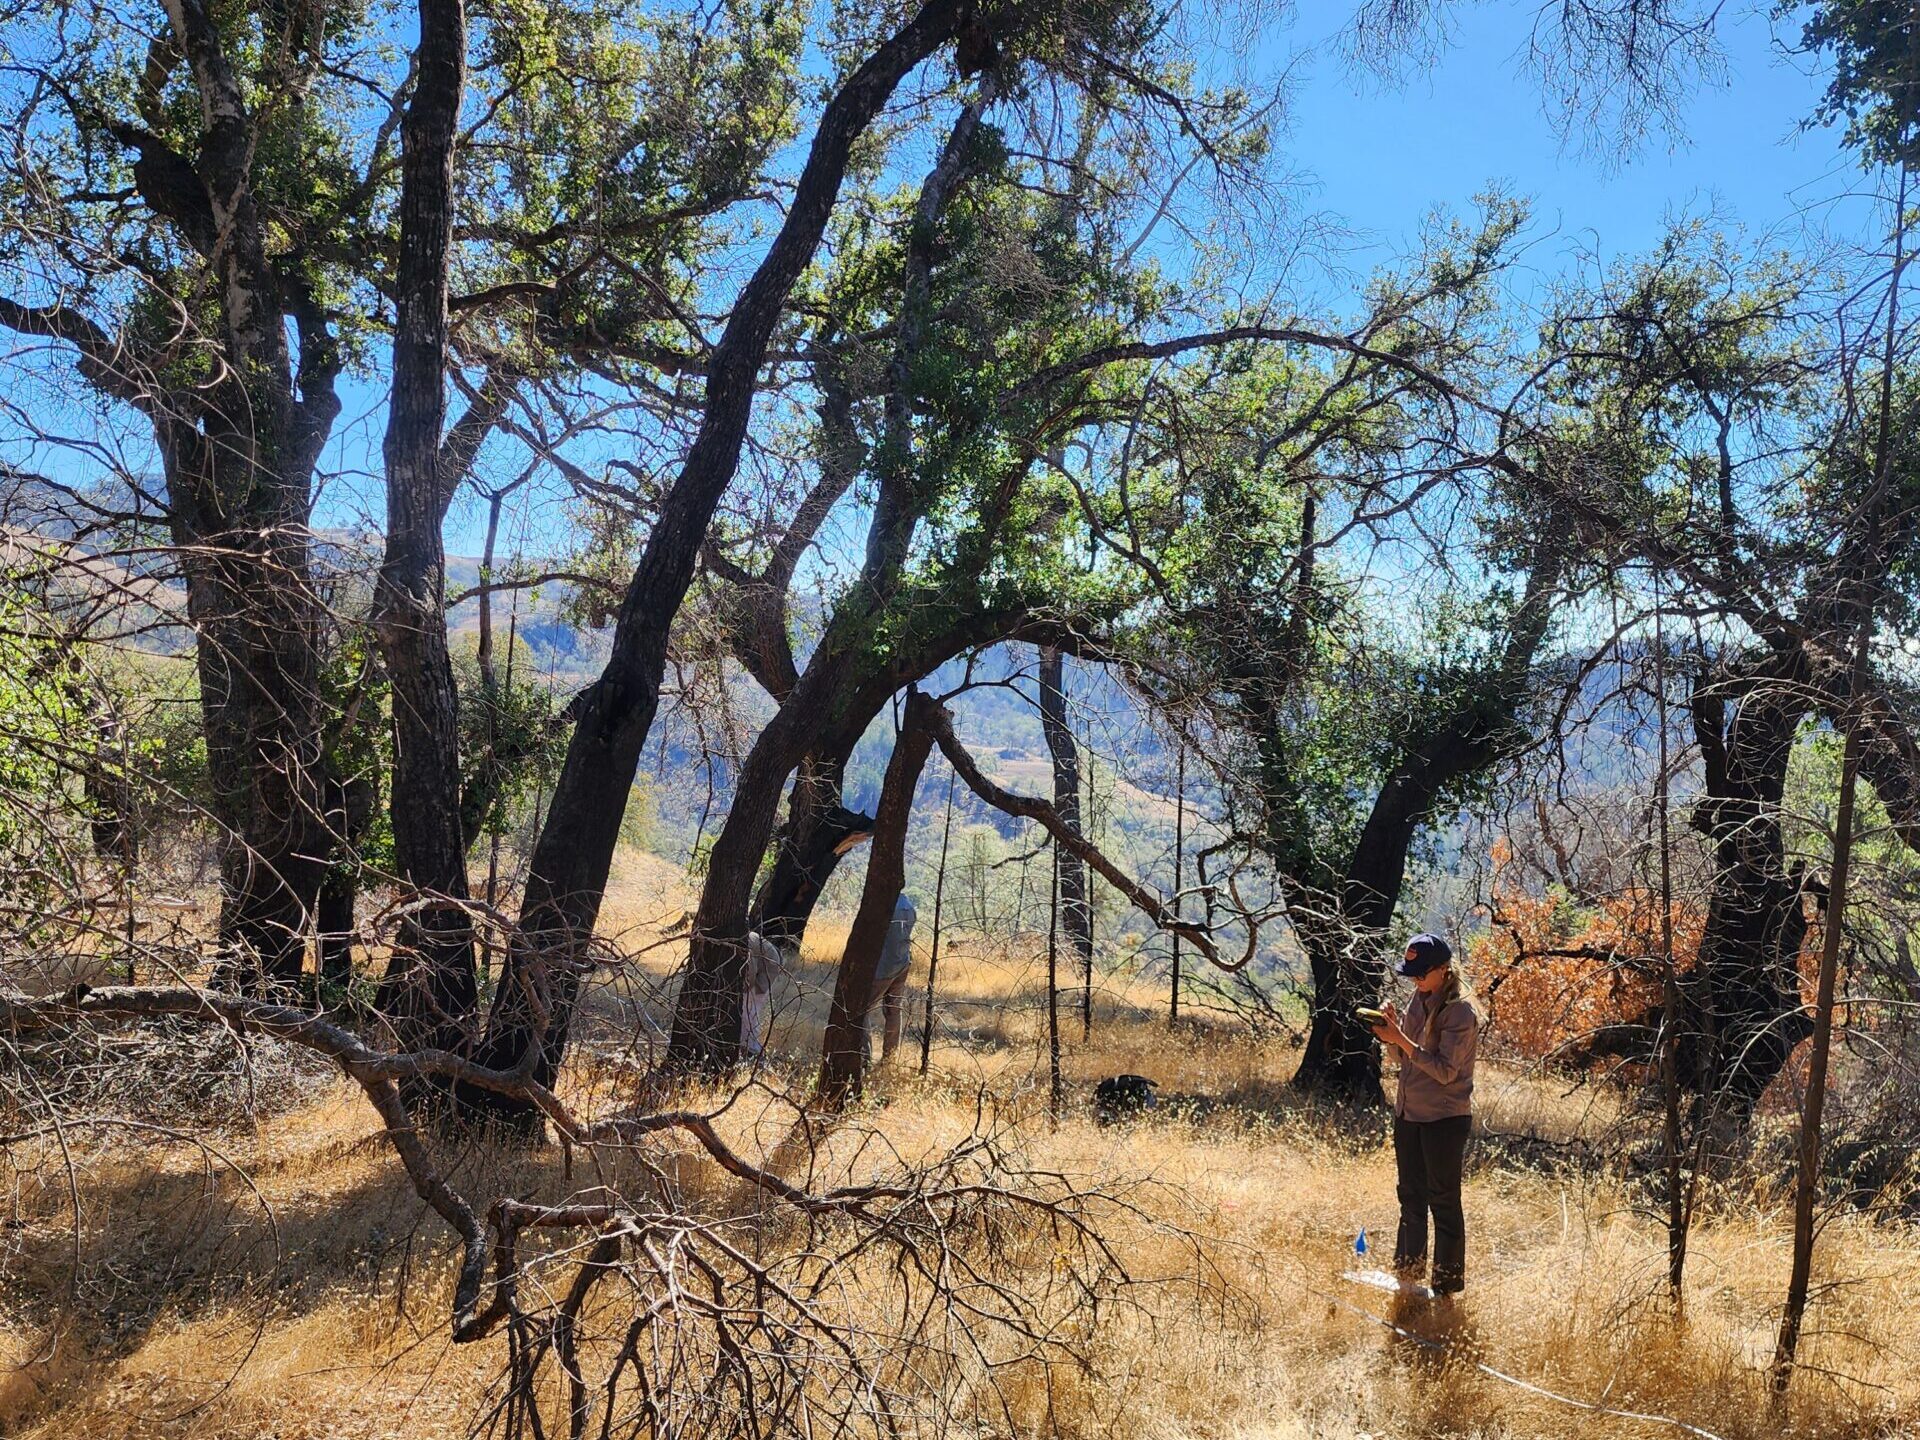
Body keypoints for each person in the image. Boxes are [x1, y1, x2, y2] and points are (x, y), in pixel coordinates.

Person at [1368, 931, 1478, 1296]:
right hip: (1409, 1113)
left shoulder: (1460, 1011)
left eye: (1421, 974)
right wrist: (1391, 1035)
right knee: (1410, 1198)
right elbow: (1404, 1057)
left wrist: (1401, 1040)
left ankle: (1446, 1292)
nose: (1415, 981)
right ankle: (1407, 1279)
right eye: (1410, 974)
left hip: (1444, 1120)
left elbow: (1446, 1071)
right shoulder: (1419, 998)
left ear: (1443, 970)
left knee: (1443, 1203)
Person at [865, 892, 917, 1062]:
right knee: (894, 1011)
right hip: (902, 962)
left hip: (883, 967)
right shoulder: (907, 905)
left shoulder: (884, 904)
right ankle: (890, 1058)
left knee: (861, 1010)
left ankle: (863, 1056)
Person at [740, 930, 784, 1058]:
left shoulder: (743, 946)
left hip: (768, 966)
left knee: (749, 1008)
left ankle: (753, 1051)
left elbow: (750, 975)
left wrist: (740, 991)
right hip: (762, 960)